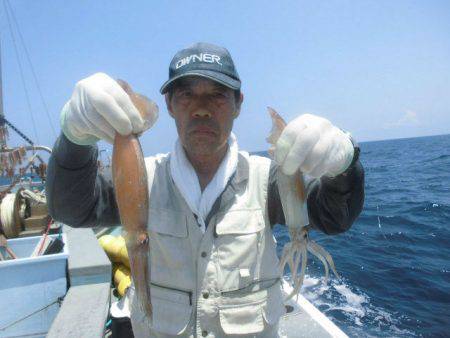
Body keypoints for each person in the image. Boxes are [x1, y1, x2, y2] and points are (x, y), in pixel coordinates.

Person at [46, 42, 364, 337]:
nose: (201, 109)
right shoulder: (141, 178)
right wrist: (74, 139)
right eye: (186, 94)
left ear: (238, 104)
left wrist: (344, 163)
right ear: (169, 105)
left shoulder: (268, 180)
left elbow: (335, 217)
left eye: (217, 94)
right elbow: (73, 207)